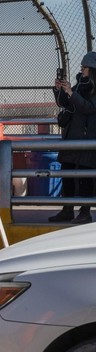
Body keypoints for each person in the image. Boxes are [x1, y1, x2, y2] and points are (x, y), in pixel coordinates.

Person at [50, 51, 96, 224]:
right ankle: (67, 209)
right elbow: (66, 104)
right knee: (67, 174)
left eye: (85, 67)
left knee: (85, 176)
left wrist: (71, 92)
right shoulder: (79, 85)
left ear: (92, 69)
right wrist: (59, 90)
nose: (82, 70)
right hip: (71, 136)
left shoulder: (92, 89)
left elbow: (89, 108)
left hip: (87, 137)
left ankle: (85, 212)